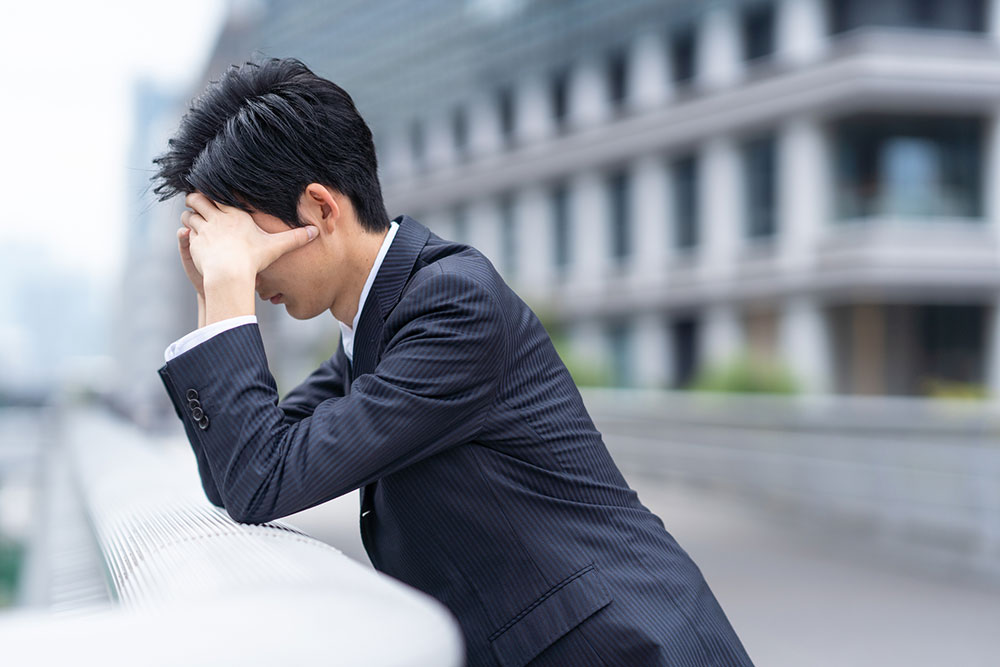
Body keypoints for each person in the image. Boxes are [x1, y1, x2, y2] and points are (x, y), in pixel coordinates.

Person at [151, 57, 754, 667]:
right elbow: (240, 476)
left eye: (248, 247)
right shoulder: (373, 331)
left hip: (633, 648)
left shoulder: (453, 306)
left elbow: (263, 480)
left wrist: (227, 296)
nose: (248, 274)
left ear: (319, 210)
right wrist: (213, 298)